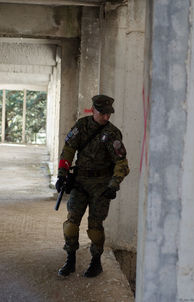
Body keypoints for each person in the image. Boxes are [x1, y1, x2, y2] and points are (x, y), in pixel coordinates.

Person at [56, 94, 130, 278]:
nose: (106, 117)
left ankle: (96, 262)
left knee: (95, 227)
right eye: (103, 113)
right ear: (94, 110)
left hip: (101, 185)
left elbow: (122, 163)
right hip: (80, 182)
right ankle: (70, 259)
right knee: (71, 224)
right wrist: (61, 175)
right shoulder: (81, 126)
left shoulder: (113, 133)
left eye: (109, 114)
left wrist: (113, 184)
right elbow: (68, 150)